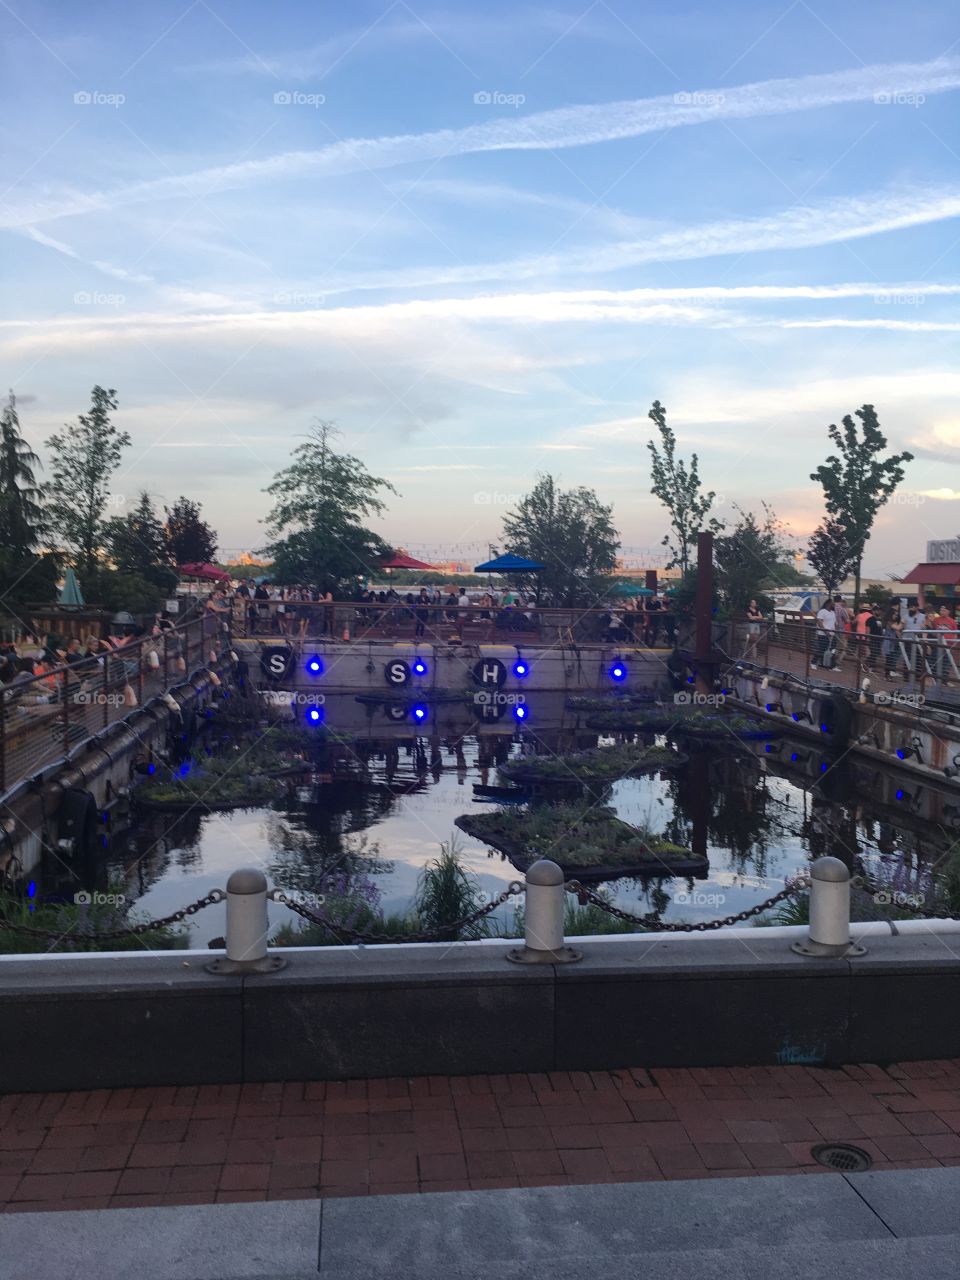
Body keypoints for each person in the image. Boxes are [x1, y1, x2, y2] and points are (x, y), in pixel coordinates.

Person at [812, 600, 836, 670]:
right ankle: (813, 662)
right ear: (828, 604)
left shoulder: (833, 612)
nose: (834, 605)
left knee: (832, 650)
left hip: (832, 634)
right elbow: (819, 623)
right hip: (823, 634)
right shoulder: (822, 611)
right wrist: (826, 632)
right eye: (832, 604)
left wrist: (835, 630)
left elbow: (834, 623)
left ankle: (832, 665)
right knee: (822, 649)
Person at [882, 606, 904, 679]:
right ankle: (887, 675)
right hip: (888, 643)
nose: (896, 616)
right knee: (888, 659)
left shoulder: (893, 622)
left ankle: (889, 674)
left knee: (890, 659)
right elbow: (898, 628)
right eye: (895, 615)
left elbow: (897, 632)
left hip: (892, 643)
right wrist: (902, 622)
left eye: (897, 615)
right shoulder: (889, 622)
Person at [865, 606, 884, 672]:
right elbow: (867, 630)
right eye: (878, 610)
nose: (879, 612)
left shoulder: (879, 620)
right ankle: (868, 666)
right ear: (874, 611)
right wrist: (868, 639)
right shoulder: (870, 619)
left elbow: (880, 629)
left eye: (880, 610)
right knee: (872, 653)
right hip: (872, 639)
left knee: (875, 653)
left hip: (878, 639)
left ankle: (871, 666)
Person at [832, 596, 851, 664]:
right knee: (840, 647)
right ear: (840, 600)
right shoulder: (842, 609)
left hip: (831, 629)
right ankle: (836, 662)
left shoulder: (831, 607)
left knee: (832, 645)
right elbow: (847, 621)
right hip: (840, 630)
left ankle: (829, 659)